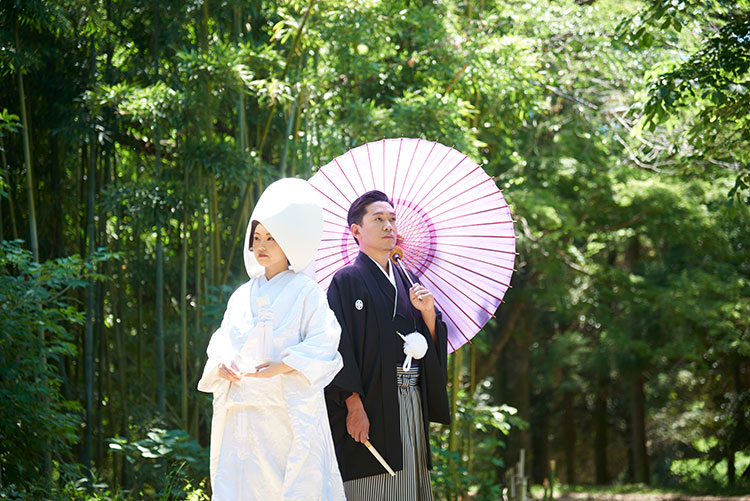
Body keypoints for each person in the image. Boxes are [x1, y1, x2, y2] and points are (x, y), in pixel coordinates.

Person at [198, 178, 346, 500]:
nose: (261, 245)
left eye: (271, 237)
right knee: (244, 485)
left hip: (287, 410)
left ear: (290, 242)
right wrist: (222, 362)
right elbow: (224, 338)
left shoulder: (308, 292)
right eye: (257, 237)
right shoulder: (240, 295)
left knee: (292, 485)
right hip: (244, 412)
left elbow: (326, 340)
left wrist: (284, 364)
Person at [324, 190, 450, 500]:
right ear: (357, 230)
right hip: (370, 403)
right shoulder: (347, 280)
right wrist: (353, 404)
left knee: (409, 483)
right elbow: (338, 346)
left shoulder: (408, 281)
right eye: (378, 219)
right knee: (371, 482)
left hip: (409, 400)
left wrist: (428, 314)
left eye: (392, 219)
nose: (388, 226)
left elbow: (426, 344)